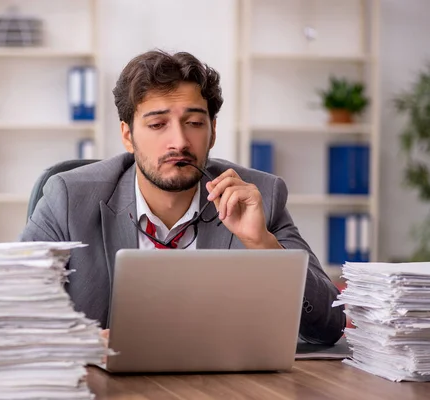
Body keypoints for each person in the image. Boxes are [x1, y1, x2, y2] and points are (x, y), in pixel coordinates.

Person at [20, 49, 345, 345]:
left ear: (212, 132)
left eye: (193, 123)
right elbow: (9, 316)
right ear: (128, 136)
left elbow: (330, 326)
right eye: (158, 124)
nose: (179, 141)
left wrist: (262, 244)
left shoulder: (258, 196)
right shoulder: (67, 198)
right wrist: (81, 343)